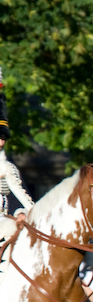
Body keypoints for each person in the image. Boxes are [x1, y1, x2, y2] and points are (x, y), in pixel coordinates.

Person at [0, 66, 34, 226]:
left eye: (3, 138)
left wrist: (21, 213)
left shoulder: (8, 169)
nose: (1, 143)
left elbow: (16, 200)